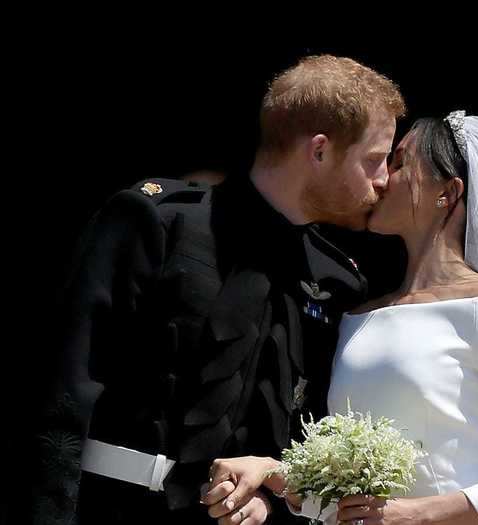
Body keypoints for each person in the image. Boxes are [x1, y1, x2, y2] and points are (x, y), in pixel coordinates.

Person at [203, 112, 478, 524]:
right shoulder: (357, 315)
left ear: (447, 192)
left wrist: (413, 515)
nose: (382, 178)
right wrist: (272, 473)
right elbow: (348, 502)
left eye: (400, 161)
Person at [32, 54, 405, 525]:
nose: (384, 179)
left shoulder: (338, 280)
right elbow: (62, 394)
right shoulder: (158, 223)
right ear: (319, 151)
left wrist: (269, 499)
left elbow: (307, 432)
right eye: (374, 159)